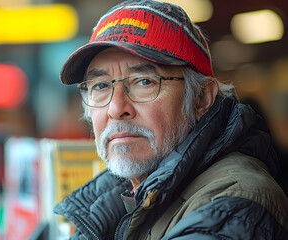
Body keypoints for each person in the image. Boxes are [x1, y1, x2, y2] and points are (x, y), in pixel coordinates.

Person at [53, 0, 288, 239]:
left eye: (144, 82)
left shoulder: (233, 206)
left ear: (201, 99)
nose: (115, 108)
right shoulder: (122, 196)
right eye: (100, 86)